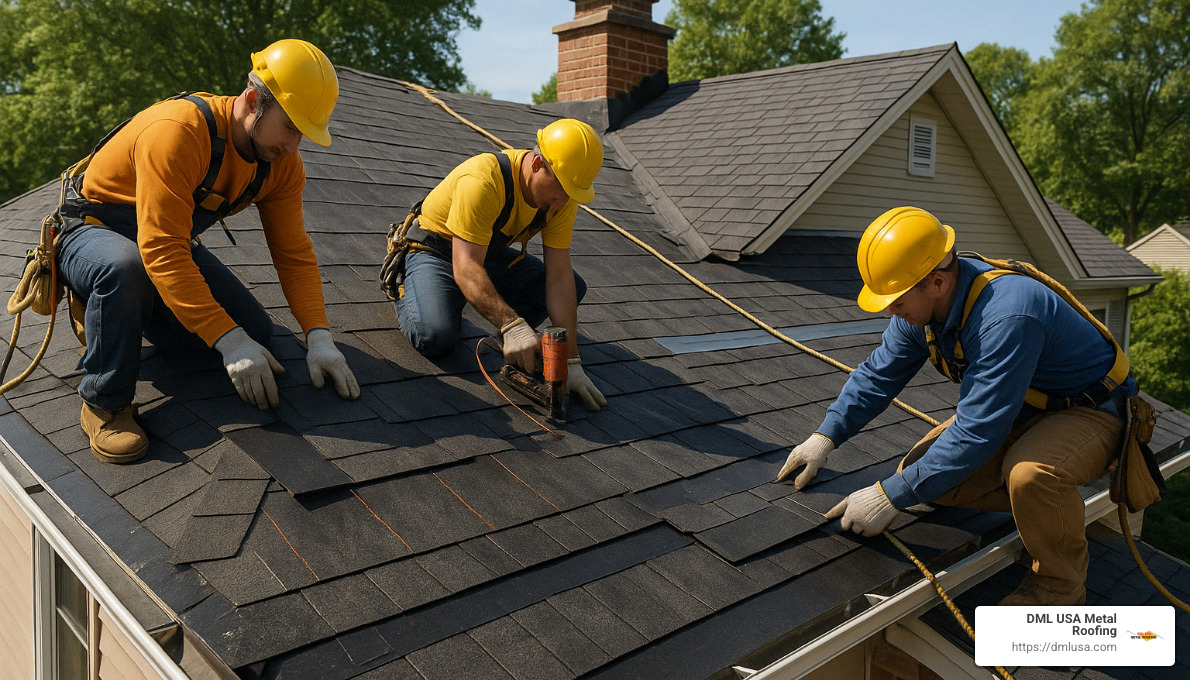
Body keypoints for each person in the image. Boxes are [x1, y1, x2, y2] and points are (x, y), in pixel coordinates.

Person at [776, 206, 1135, 606]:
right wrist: (825, 436)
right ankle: (1042, 509)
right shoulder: (923, 311)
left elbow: (978, 431)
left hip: (1093, 410)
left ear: (937, 282)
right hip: (1027, 406)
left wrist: (888, 496)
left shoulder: (1007, 315)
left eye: (895, 301)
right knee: (925, 476)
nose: (889, 311)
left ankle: (1059, 586)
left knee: (1032, 476)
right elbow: (878, 376)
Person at [55, 39, 359, 465]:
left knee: (255, 331)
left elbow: (293, 252)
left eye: (304, 134)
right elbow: (160, 250)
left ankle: (124, 312)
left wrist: (319, 335)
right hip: (94, 229)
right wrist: (228, 341)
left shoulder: (281, 165)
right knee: (127, 270)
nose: (294, 146)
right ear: (253, 101)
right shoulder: (178, 132)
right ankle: (104, 403)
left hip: (166, 237)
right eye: (291, 127)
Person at [390, 118, 606, 410]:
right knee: (435, 335)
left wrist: (571, 360)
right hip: (436, 252)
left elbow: (559, 277)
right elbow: (465, 265)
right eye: (562, 189)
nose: (563, 202)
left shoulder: (560, 201)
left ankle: (506, 331)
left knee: (575, 286)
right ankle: (408, 284)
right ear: (538, 163)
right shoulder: (484, 180)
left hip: (483, 252)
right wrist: (511, 325)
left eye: (571, 193)